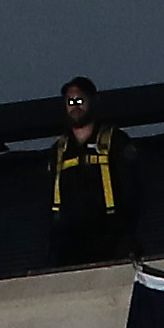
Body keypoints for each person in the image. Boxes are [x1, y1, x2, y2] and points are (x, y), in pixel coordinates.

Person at [45, 78, 138, 265]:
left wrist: (123, 233)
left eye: (80, 100)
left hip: (110, 238)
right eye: (70, 102)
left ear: (93, 101)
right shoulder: (59, 150)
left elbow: (133, 189)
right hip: (71, 245)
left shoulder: (114, 141)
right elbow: (49, 200)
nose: (75, 106)